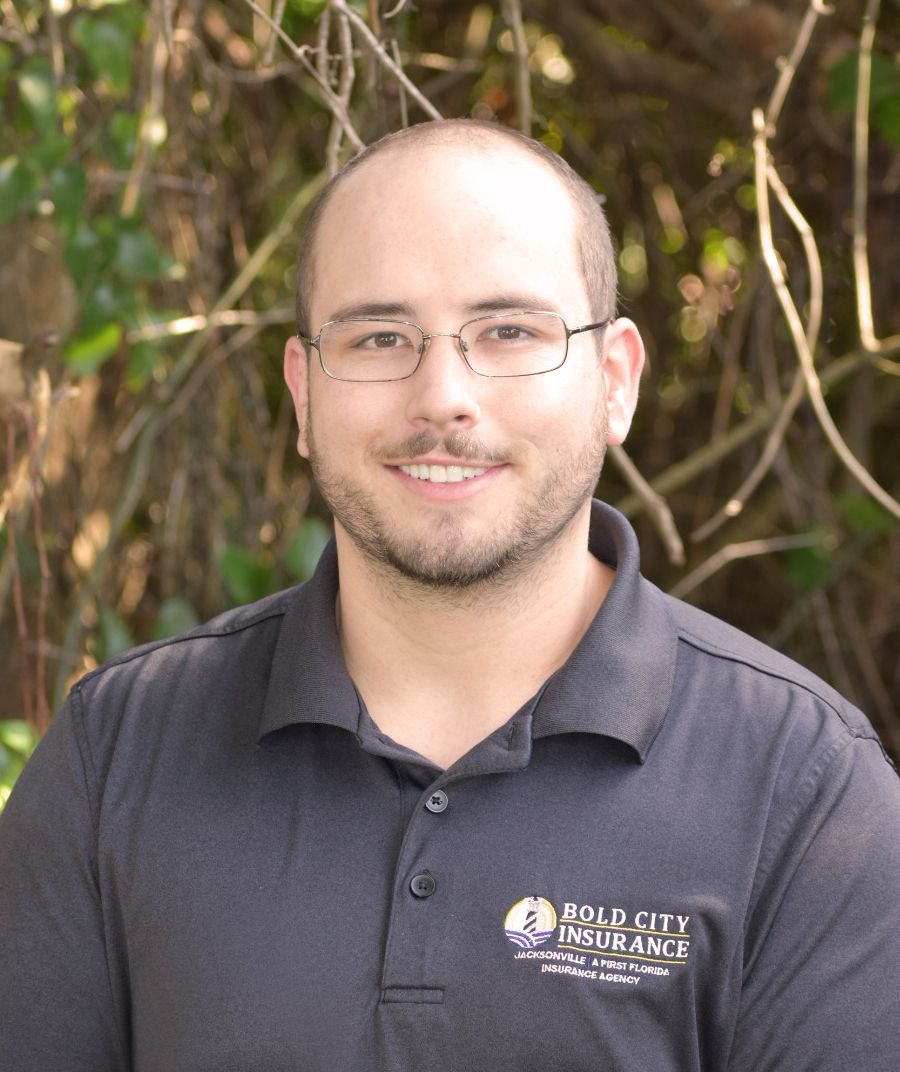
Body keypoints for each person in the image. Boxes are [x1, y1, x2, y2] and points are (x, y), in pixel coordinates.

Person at [1, 119, 898, 1072]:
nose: (443, 395)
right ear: (304, 396)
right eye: (381, 335)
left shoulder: (805, 793)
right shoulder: (116, 756)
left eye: (510, 331)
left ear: (615, 382)